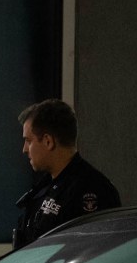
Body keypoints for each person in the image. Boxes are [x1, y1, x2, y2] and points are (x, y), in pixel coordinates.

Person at [14, 99, 121, 249]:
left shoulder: (93, 189)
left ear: (48, 141)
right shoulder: (45, 189)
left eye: (28, 141)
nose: (24, 149)